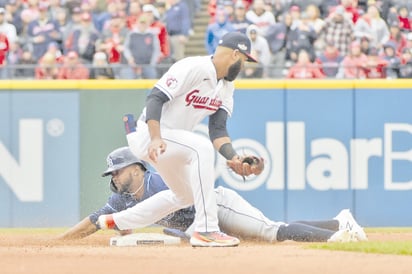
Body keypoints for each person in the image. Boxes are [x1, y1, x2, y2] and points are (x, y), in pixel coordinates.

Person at [97, 32, 261, 248]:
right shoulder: (194, 67)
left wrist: (234, 158)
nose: (243, 66)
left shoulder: (227, 88)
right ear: (234, 54)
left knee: (184, 196)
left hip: (172, 142)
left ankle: (116, 220)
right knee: (200, 148)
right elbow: (156, 97)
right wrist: (155, 138)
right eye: (243, 60)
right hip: (150, 134)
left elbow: (218, 130)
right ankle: (206, 230)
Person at [58, 146, 367, 243]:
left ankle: (338, 237)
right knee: (269, 231)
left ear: (136, 168)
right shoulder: (121, 200)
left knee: (272, 233)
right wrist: (55, 245)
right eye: (112, 173)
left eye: (118, 171)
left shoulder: (161, 180)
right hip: (206, 226)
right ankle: (339, 223)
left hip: (217, 206)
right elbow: (94, 222)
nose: (114, 177)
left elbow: (194, 205)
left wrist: (189, 234)